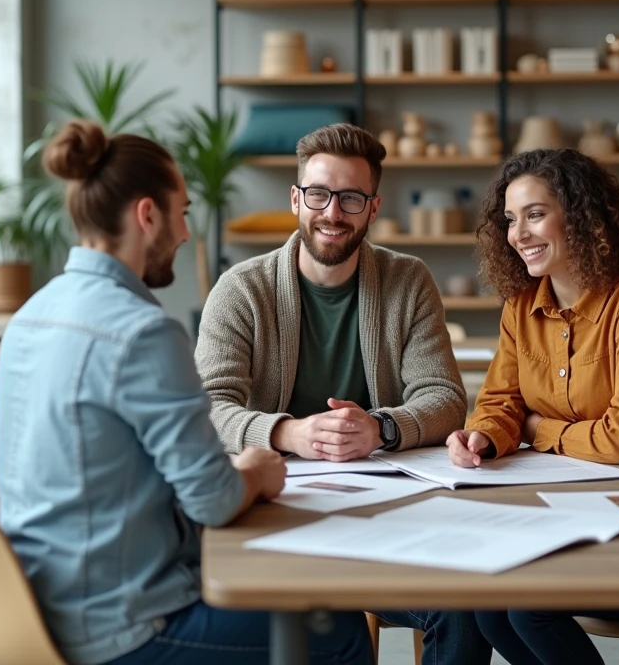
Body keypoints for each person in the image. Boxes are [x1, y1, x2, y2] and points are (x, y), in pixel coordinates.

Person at [0, 120, 371, 665]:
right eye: (182, 213)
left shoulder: (32, 315)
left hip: (30, 608)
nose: (186, 234)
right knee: (337, 631)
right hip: (123, 625)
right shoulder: (140, 332)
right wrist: (258, 471)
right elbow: (213, 501)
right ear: (148, 215)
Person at [196, 123, 492, 665]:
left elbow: (445, 397)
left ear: (373, 208)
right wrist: (291, 433)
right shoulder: (241, 289)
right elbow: (209, 410)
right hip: (280, 517)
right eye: (319, 194)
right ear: (296, 199)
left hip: (391, 518)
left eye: (351, 198)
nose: (332, 212)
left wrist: (379, 427)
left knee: (464, 605)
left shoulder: (409, 280)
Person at [446, 148, 619, 665]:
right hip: (580, 507)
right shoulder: (520, 306)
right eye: (509, 219)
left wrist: (537, 428)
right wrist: (484, 434)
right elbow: (501, 401)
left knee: (530, 608)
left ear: (582, 217)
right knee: (486, 604)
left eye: (535, 214)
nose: (517, 233)